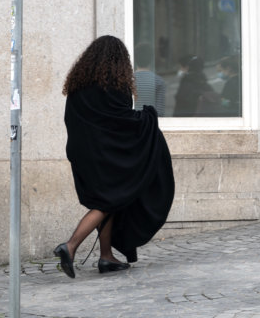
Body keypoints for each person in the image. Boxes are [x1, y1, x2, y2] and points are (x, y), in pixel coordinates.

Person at [53, 35, 174, 278]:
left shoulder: (78, 85)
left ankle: (106, 257)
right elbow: (121, 121)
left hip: (82, 152)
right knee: (108, 201)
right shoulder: (114, 86)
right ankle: (71, 245)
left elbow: (83, 120)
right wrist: (148, 116)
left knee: (110, 199)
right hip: (106, 152)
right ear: (119, 61)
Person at [133, 42, 166, 116]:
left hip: (132, 124)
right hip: (151, 124)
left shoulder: (128, 80)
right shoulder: (159, 81)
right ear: (151, 59)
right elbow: (160, 111)